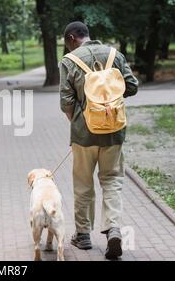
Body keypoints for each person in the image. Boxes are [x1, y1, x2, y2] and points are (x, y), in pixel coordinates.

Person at [59, 21, 139, 260]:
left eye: (67, 44)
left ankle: (83, 235)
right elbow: (132, 87)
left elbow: (66, 101)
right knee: (112, 180)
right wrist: (109, 99)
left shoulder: (69, 61)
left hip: (83, 134)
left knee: (83, 184)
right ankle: (113, 228)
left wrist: (78, 116)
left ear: (73, 37)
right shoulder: (115, 54)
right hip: (114, 131)